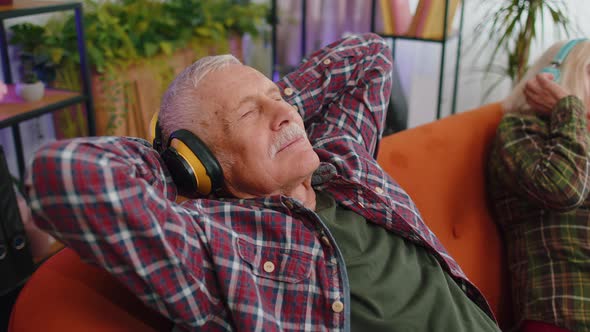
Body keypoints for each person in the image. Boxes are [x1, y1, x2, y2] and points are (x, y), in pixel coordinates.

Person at [27, 33, 499, 331]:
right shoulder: (213, 245)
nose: (287, 113)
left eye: (280, 96)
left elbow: (369, 55)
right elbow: (63, 175)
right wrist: (171, 161)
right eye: (250, 113)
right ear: (202, 163)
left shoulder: (340, 155)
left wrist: (271, 100)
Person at [487, 39, 590, 332]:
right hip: (565, 315)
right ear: (552, 79)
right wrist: (569, 108)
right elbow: (563, 190)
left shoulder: (581, 140)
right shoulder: (521, 129)